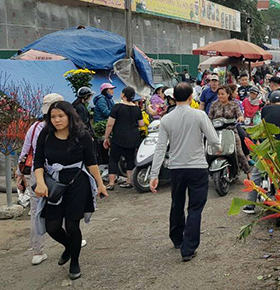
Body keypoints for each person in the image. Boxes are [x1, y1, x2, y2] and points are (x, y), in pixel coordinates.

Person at [33, 101, 108, 280]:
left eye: (61, 116)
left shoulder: (82, 135)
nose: (57, 120)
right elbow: (38, 160)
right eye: (53, 117)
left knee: (72, 225)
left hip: (77, 183)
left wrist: (100, 184)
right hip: (54, 184)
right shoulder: (46, 134)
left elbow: (91, 162)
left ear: (69, 116)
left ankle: (75, 261)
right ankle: (68, 246)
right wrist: (40, 182)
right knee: (52, 226)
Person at [149, 82, 221, 262]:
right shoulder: (199, 115)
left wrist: (154, 174)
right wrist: (218, 147)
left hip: (176, 168)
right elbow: (213, 138)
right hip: (197, 167)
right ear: (191, 97)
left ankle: (177, 239)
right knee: (195, 207)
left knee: (177, 202)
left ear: (173, 97)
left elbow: (160, 148)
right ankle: (188, 249)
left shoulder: (166, 119)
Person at [15, 93, 63, 265]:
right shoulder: (61, 127)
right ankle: (72, 240)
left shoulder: (34, 127)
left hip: (36, 173)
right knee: (65, 206)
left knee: (36, 211)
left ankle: (37, 251)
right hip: (58, 173)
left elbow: (25, 151)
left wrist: (20, 173)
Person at [243, 91, 280, 214]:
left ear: (270, 101)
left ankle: (250, 205)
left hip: (268, 145)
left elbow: (264, 125)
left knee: (256, 173)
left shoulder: (265, 110)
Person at [103, 87, 144, 190]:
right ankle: (129, 181)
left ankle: (111, 183)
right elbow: (141, 124)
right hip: (133, 137)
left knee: (113, 159)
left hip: (119, 137)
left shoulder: (117, 107)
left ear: (123, 95)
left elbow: (110, 124)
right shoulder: (137, 108)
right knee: (130, 159)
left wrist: (106, 137)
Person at [207, 85, 251, 176]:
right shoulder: (214, 104)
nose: (220, 96)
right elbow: (209, 117)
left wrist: (240, 117)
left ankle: (248, 173)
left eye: (222, 94)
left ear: (228, 94)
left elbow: (240, 114)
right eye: (218, 94)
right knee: (207, 150)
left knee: (239, 152)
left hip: (230, 131)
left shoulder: (234, 104)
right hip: (216, 132)